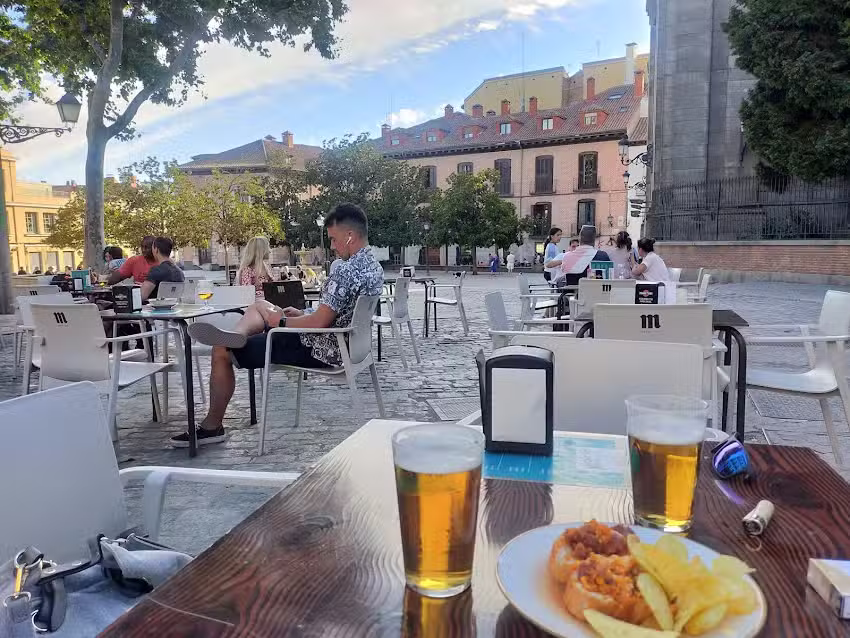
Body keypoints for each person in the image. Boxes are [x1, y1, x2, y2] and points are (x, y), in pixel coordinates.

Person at [176, 203, 384, 447]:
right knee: (263, 305)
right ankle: (238, 334)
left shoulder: (346, 271)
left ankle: (212, 425)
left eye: (334, 239)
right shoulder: (373, 267)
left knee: (221, 349)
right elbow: (332, 315)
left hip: (318, 347)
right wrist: (301, 313)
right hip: (347, 346)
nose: (333, 246)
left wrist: (283, 321)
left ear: (349, 236)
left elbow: (320, 323)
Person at [141, 237, 185, 301]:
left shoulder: (156, 271)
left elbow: (142, 296)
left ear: (156, 250)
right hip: (173, 308)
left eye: (152, 248)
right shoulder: (180, 272)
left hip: (154, 309)